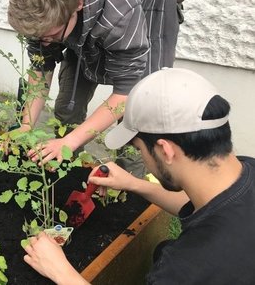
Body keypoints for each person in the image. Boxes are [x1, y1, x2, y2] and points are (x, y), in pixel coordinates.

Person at [23, 68, 255, 284]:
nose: (142, 157)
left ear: (165, 150)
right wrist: (133, 184)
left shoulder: (185, 269)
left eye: (140, 149)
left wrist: (62, 272)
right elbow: (203, 206)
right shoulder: (245, 172)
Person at [7, 0, 179, 165]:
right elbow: (41, 66)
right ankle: (70, 168)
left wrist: (69, 141)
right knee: (67, 109)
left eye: (52, 35)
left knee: (136, 131)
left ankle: (128, 182)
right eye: (37, 37)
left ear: (79, 4)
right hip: (84, 18)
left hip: (150, 14)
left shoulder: (119, 10)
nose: (45, 43)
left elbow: (127, 91)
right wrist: (26, 124)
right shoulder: (41, 13)